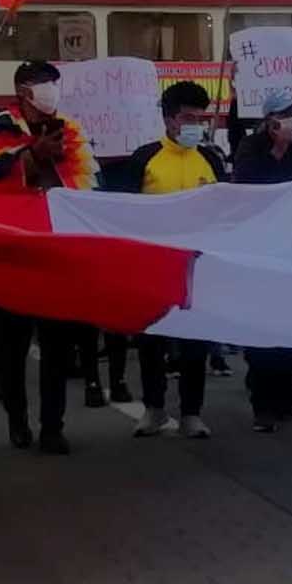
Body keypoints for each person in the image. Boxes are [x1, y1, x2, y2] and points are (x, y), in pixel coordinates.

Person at [0, 60, 98, 454]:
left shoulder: (71, 129)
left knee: (57, 345)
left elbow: (87, 184)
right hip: (13, 251)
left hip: (56, 250)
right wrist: (31, 158)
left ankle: (52, 426)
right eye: (44, 84)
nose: (52, 90)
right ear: (24, 91)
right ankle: (17, 419)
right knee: (10, 345)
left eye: (55, 83)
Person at [112, 81, 226, 437]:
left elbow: (224, 209)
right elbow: (124, 210)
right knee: (152, 339)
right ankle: (154, 409)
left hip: (197, 266)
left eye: (200, 117)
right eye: (187, 117)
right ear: (168, 119)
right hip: (152, 265)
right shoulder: (144, 158)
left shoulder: (210, 159)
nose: (195, 124)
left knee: (195, 341)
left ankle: (192, 413)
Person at [233, 91, 292, 431]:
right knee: (263, 332)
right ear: (270, 120)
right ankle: (263, 404)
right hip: (261, 251)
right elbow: (245, 188)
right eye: (287, 114)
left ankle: (289, 397)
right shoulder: (250, 149)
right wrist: (274, 152)